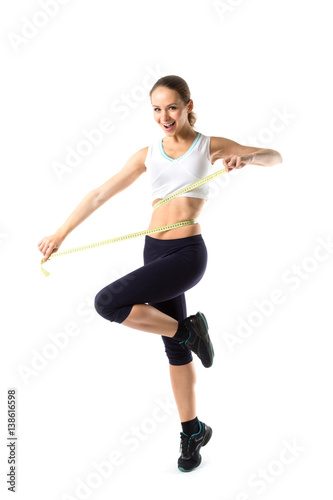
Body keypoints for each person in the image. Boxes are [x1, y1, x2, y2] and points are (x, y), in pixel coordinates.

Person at [38, 75, 283, 472]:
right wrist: (60, 234)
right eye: (156, 108)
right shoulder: (148, 152)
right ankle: (193, 431)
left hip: (185, 254)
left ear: (188, 105)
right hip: (154, 250)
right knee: (174, 348)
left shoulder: (209, 145)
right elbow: (100, 193)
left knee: (107, 302)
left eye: (171, 107)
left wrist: (247, 158)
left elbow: (275, 156)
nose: (164, 116)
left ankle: (189, 330)